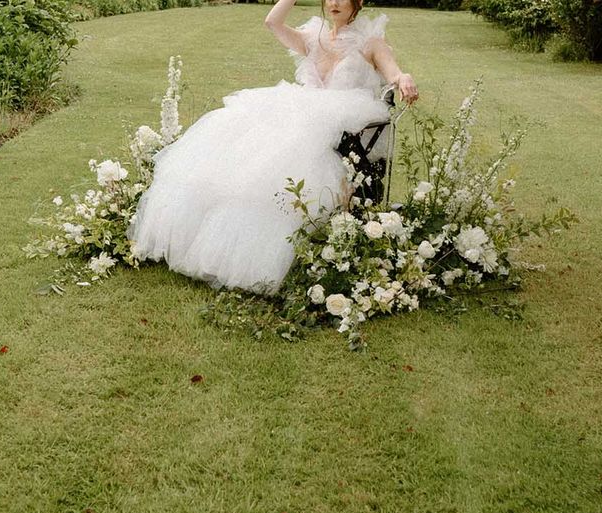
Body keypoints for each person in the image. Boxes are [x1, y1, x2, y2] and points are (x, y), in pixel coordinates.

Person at [129, 0, 418, 294]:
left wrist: (402, 78)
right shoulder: (313, 36)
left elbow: (393, 72)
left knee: (285, 150)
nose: (333, 3)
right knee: (238, 130)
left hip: (342, 123)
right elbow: (273, 23)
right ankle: (201, 234)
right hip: (303, 112)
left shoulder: (371, 42)